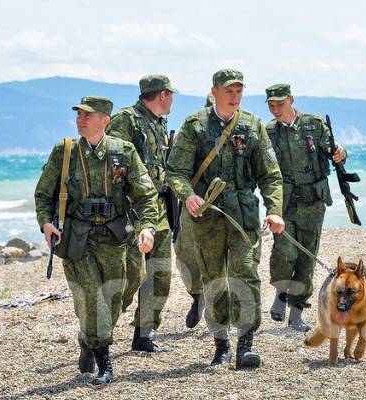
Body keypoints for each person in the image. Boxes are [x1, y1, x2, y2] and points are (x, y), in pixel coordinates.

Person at [34, 96, 158, 386]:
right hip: (77, 239)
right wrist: (46, 223)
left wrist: (148, 228)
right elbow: (43, 194)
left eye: (88, 115)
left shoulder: (123, 151)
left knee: (115, 299)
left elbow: (146, 195)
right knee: (92, 300)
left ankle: (87, 339)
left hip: (115, 238)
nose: (81, 119)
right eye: (79, 114)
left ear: (105, 120)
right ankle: (105, 364)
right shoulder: (64, 152)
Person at [166, 69, 285, 369]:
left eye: (239, 90)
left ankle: (246, 344)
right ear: (214, 91)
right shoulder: (195, 126)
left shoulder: (252, 125)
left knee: (246, 275)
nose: (235, 96)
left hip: (243, 216)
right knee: (215, 279)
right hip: (207, 217)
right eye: (229, 90)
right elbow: (175, 172)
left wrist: (274, 210)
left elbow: (270, 175)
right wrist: (187, 195)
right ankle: (221, 346)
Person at [264, 84, 346, 332]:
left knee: (307, 257)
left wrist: (341, 154)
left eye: (280, 103)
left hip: (313, 200)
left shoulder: (314, 125)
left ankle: (297, 312)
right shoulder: (268, 132)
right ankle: (281, 291)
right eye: (271, 105)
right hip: (284, 201)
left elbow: (335, 150)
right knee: (284, 252)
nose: (276, 109)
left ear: (291, 100)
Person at [106, 75, 176, 352]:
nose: (172, 99)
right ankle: (99, 334)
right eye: (170, 94)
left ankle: (143, 335)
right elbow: (114, 166)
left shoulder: (158, 123)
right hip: (133, 209)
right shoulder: (127, 120)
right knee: (130, 275)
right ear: (162, 94)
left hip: (158, 207)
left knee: (160, 275)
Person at [173, 92, 215, 329]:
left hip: (223, 205)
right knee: (186, 254)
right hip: (192, 202)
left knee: (223, 259)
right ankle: (197, 295)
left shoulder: (238, 133)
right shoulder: (189, 132)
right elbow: (176, 168)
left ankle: (218, 308)